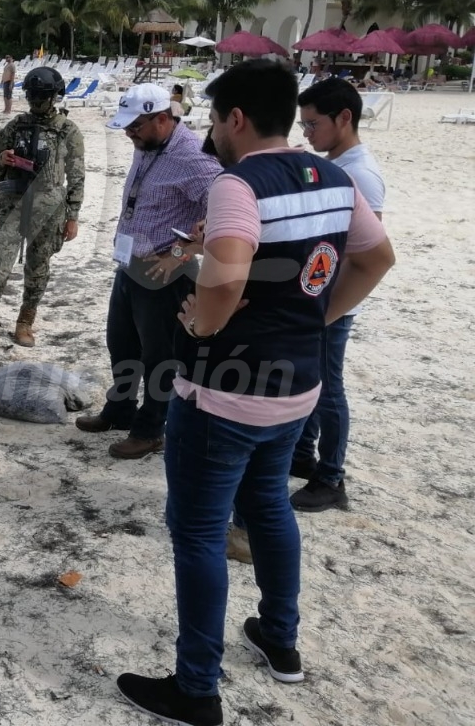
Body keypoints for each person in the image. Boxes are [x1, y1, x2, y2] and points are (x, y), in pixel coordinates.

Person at [116, 59, 394, 725]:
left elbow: (228, 274)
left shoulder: (238, 185)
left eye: (214, 119)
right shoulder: (332, 177)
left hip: (225, 391)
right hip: (296, 386)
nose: (212, 132)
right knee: (269, 506)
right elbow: (376, 257)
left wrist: (201, 324)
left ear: (236, 118)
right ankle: (279, 637)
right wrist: (314, 319)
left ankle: (196, 688)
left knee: (198, 532)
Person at [74, 85, 222, 460]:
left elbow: (225, 219)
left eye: (135, 126)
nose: (129, 133)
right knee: (121, 344)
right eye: (126, 126)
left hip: (165, 275)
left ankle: (151, 429)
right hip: (131, 264)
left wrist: (181, 252)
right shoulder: (149, 144)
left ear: (162, 118)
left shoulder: (194, 159)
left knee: (160, 358)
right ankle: (120, 410)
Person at [288, 78, 386, 512]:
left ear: (344, 118)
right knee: (312, 381)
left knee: (328, 388)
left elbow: (365, 252)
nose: (308, 134)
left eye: (313, 125)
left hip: (333, 302)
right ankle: (302, 455)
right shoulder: (337, 165)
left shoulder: (359, 173)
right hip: (318, 295)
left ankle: (331, 478)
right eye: (304, 125)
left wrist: (329, 307)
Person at [0, 67, 85, 349]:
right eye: (33, 96)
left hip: (49, 209)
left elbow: (76, 176)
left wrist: (72, 216)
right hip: (12, 205)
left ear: (55, 96)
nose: (37, 101)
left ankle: (25, 322)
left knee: (38, 268)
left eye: (42, 96)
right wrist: (3, 159)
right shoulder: (15, 126)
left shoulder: (68, 130)